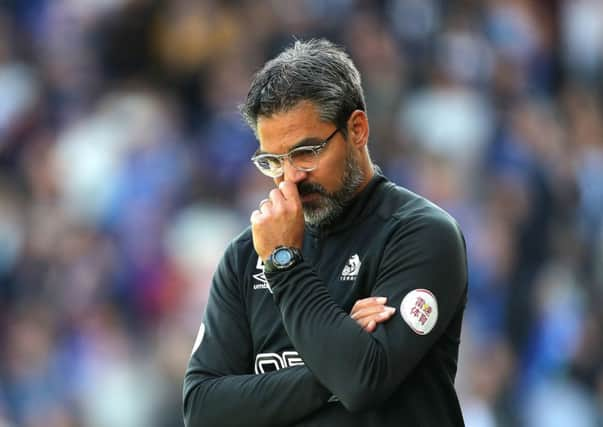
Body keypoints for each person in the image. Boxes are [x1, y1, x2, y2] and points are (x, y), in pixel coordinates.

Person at [183, 38, 468, 426]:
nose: (291, 177)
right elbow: (202, 411)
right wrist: (336, 361)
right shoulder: (247, 255)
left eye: (306, 153)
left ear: (357, 129)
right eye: (273, 162)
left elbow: (363, 381)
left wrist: (285, 264)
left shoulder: (421, 235)